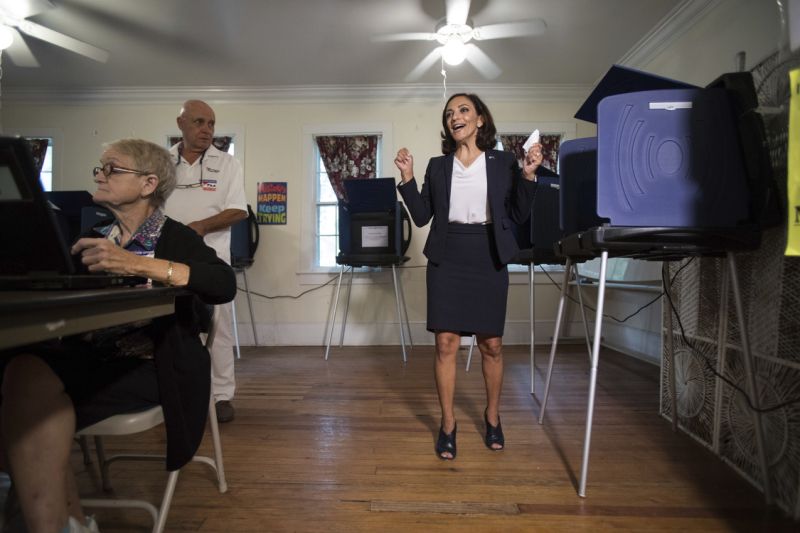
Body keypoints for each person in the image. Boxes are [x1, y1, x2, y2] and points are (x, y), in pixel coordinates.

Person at [0, 139, 236, 532]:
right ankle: (67, 523)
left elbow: (222, 283)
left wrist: (139, 265)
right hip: (90, 357)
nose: (100, 175)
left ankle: (50, 519)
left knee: (26, 413)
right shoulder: (94, 236)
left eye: (113, 169)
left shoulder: (177, 237)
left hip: (155, 364)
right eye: (100, 168)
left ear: (148, 184)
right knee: (19, 370)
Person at [394, 93, 543, 460]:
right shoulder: (438, 166)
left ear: (479, 120)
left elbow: (520, 216)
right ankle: (448, 425)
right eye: (449, 114)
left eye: (463, 110)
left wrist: (528, 175)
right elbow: (422, 216)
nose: (454, 117)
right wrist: (408, 178)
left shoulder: (505, 162)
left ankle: (492, 417)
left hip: (488, 254)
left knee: (491, 344)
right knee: (446, 342)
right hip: (448, 256)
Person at [164, 99, 247, 423]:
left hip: (211, 261)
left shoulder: (228, 165)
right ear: (181, 123)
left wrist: (200, 227)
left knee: (218, 327)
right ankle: (175, 392)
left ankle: (222, 395)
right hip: (167, 260)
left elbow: (238, 210)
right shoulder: (161, 164)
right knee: (169, 325)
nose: (207, 130)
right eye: (199, 122)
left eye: (211, 124)